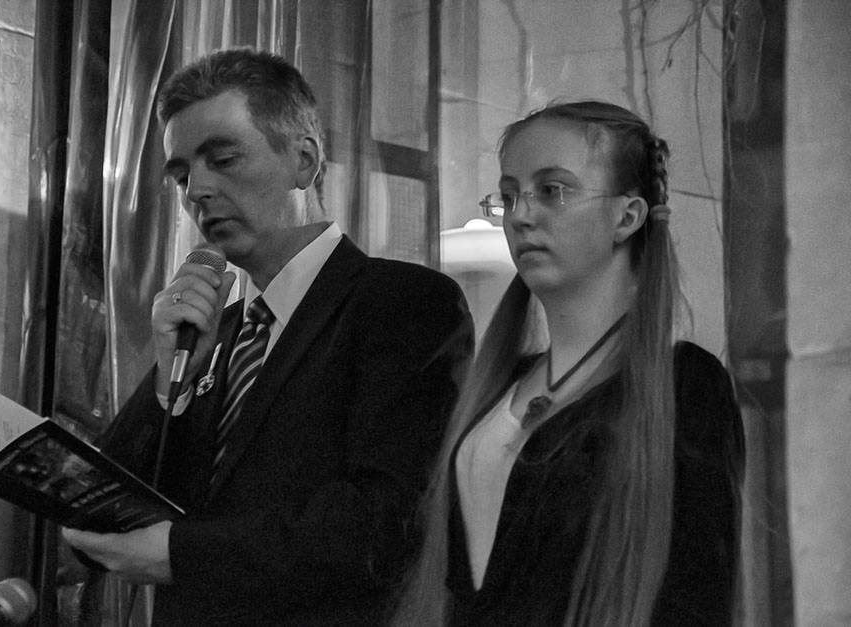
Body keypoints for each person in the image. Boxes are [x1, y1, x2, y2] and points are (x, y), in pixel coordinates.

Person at [61, 48, 474, 625]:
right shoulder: (213, 333)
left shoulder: (400, 303)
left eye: (223, 159)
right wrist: (167, 383)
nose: (196, 190)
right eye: (181, 175)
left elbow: (386, 520)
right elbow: (101, 513)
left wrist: (183, 554)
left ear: (304, 160)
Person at [393, 100, 745, 626]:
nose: (521, 215)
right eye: (509, 195)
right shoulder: (499, 384)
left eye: (553, 190)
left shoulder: (682, 386)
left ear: (627, 216)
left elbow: (695, 593)